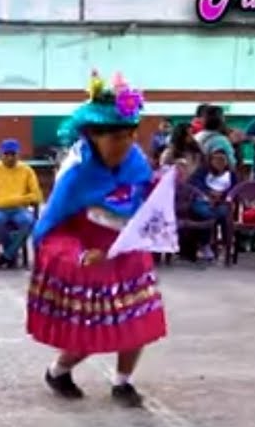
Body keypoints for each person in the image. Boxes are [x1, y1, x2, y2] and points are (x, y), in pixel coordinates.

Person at [28, 71, 166, 408]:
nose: (126, 144)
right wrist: (78, 255)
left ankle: (123, 382)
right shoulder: (75, 175)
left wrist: (166, 184)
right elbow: (51, 228)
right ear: (91, 134)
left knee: (136, 323)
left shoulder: (135, 162)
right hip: (91, 259)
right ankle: (58, 371)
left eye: (130, 135)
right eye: (116, 138)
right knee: (91, 332)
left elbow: (145, 197)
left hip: (129, 252)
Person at [0, 138, 42, 268]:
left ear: (18, 154)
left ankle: (6, 256)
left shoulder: (27, 170)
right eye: (6, 154)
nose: (10, 157)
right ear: (1, 154)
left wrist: (17, 200)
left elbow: (36, 195)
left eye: (13, 154)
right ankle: (11, 254)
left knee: (28, 221)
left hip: (19, 209)